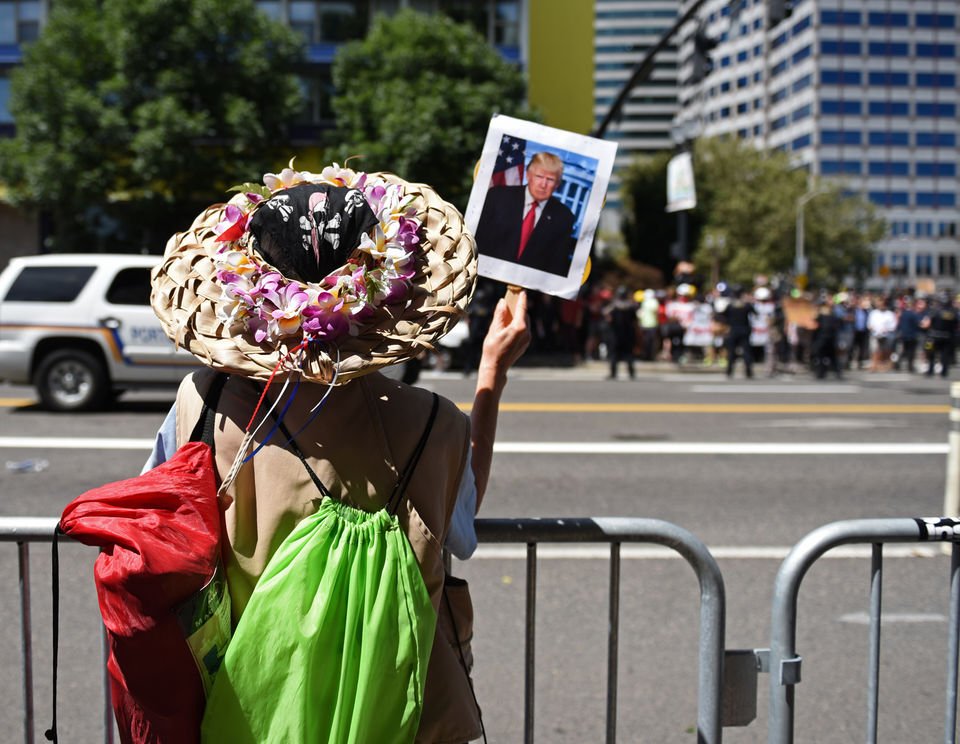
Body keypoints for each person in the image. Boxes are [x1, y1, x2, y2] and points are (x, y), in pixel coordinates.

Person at [144, 161, 531, 742]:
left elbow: (161, 532)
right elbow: (460, 528)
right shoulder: (434, 423)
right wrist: (491, 375)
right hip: (395, 712)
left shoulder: (204, 403)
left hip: (241, 707)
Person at [474, 151, 577, 277]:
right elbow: (477, 241)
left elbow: (557, 266)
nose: (543, 184)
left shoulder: (565, 217)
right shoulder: (497, 197)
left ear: (557, 185)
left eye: (550, 179)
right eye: (539, 176)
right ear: (528, 175)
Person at [717, 286, 756, 378]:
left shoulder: (730, 305)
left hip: (733, 330)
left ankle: (729, 371)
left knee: (731, 352)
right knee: (746, 352)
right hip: (744, 330)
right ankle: (748, 372)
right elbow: (755, 313)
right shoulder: (746, 305)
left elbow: (722, 316)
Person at [603, 285, 638, 379]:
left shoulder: (614, 306)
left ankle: (613, 373)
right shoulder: (631, 305)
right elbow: (635, 321)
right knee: (628, 354)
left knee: (614, 354)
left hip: (616, 333)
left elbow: (606, 316)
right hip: (627, 333)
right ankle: (631, 373)